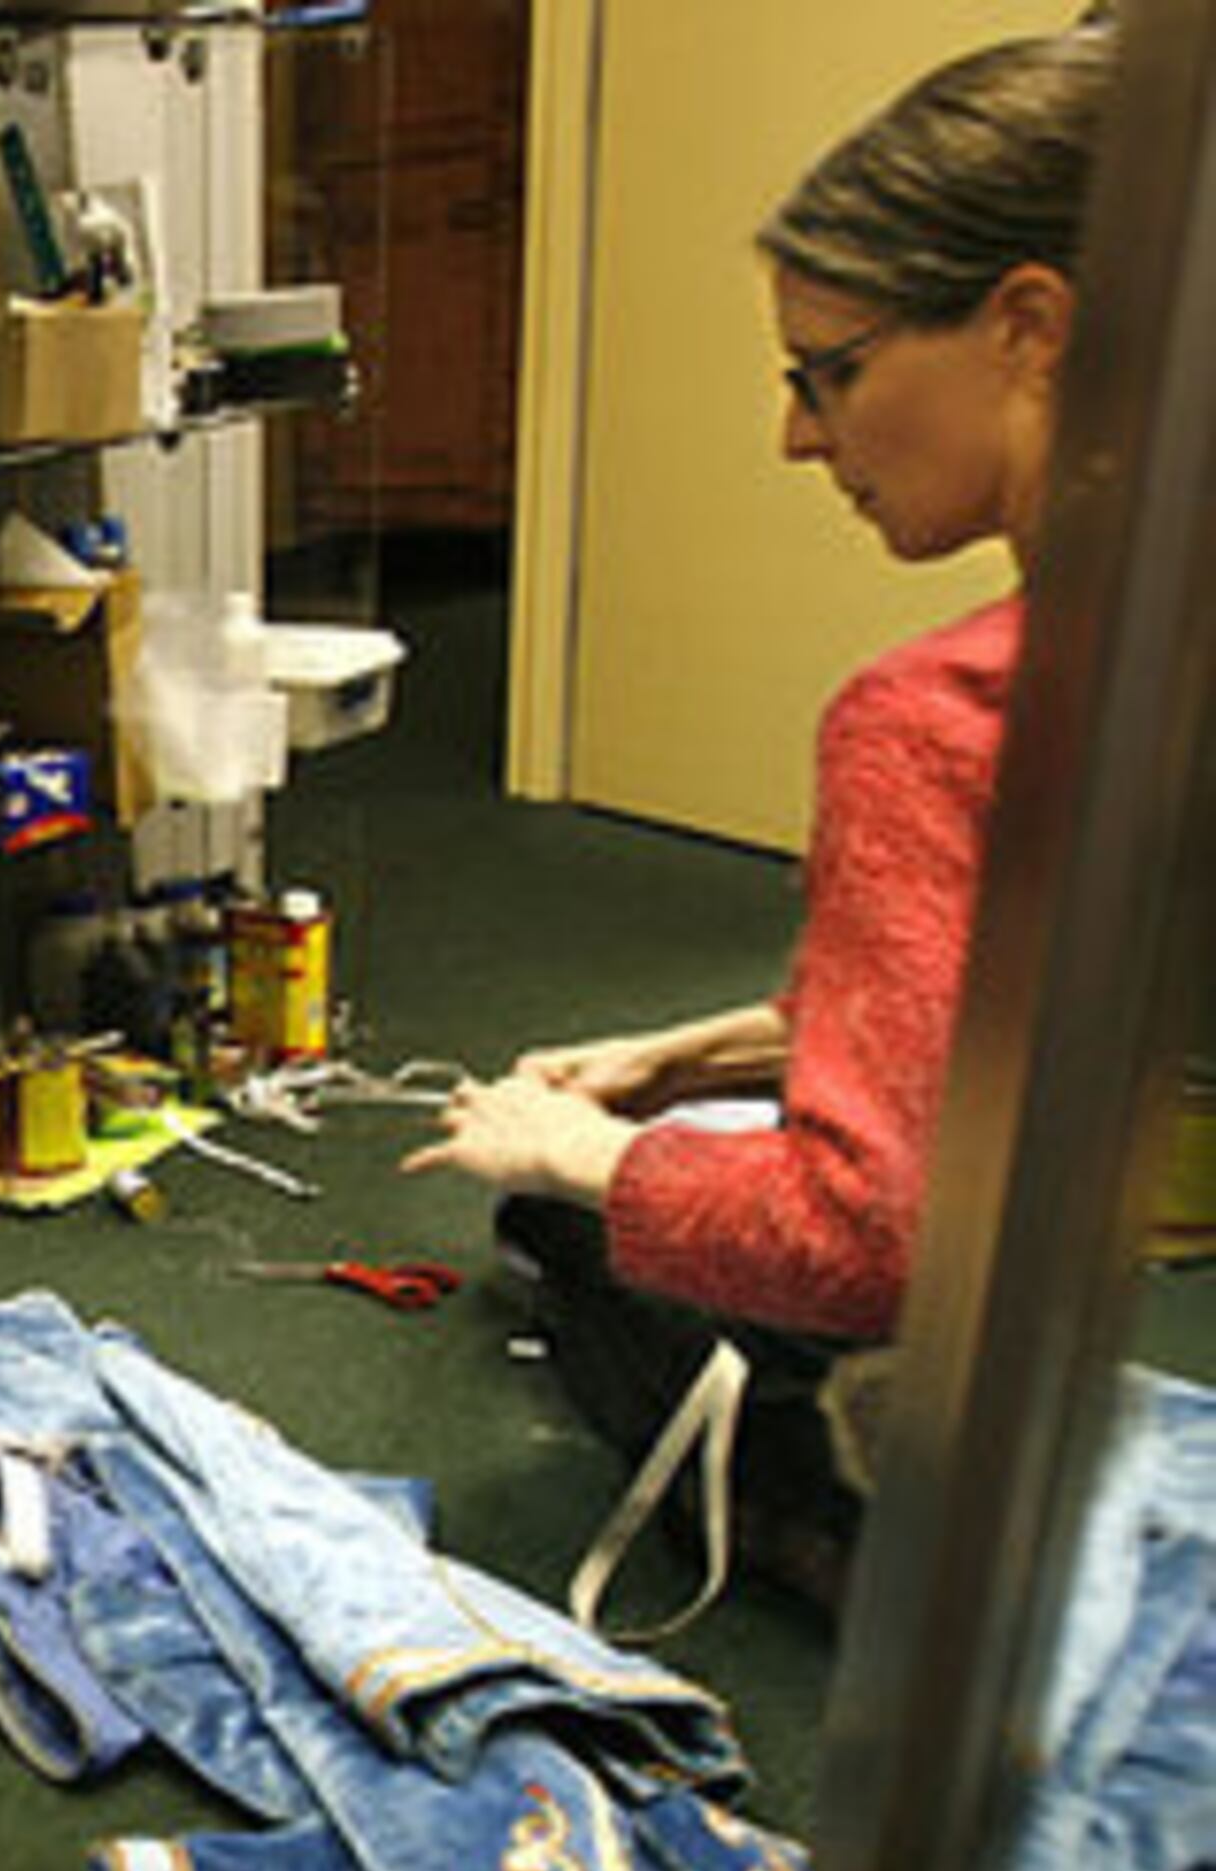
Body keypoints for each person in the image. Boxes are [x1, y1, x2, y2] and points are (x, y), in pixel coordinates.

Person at [404, 22, 1109, 1591]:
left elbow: (864, 1237)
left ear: (1031, 325)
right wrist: (690, 1054)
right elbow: (1035, 974)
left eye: (831, 372)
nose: (799, 433)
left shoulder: (939, 716)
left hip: (1059, 1371)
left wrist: (570, 1153)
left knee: (580, 1236)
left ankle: (847, 1538)